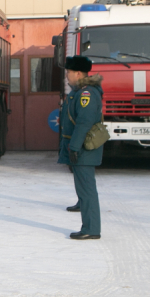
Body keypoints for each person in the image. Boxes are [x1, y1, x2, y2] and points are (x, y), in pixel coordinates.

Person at [59, 55, 104, 240]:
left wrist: (75, 147)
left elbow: (84, 123)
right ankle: (86, 215)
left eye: (68, 73)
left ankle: (91, 229)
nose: (67, 76)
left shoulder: (87, 94)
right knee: (83, 187)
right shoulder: (80, 91)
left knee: (87, 188)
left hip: (84, 146)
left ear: (78, 73)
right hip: (80, 145)